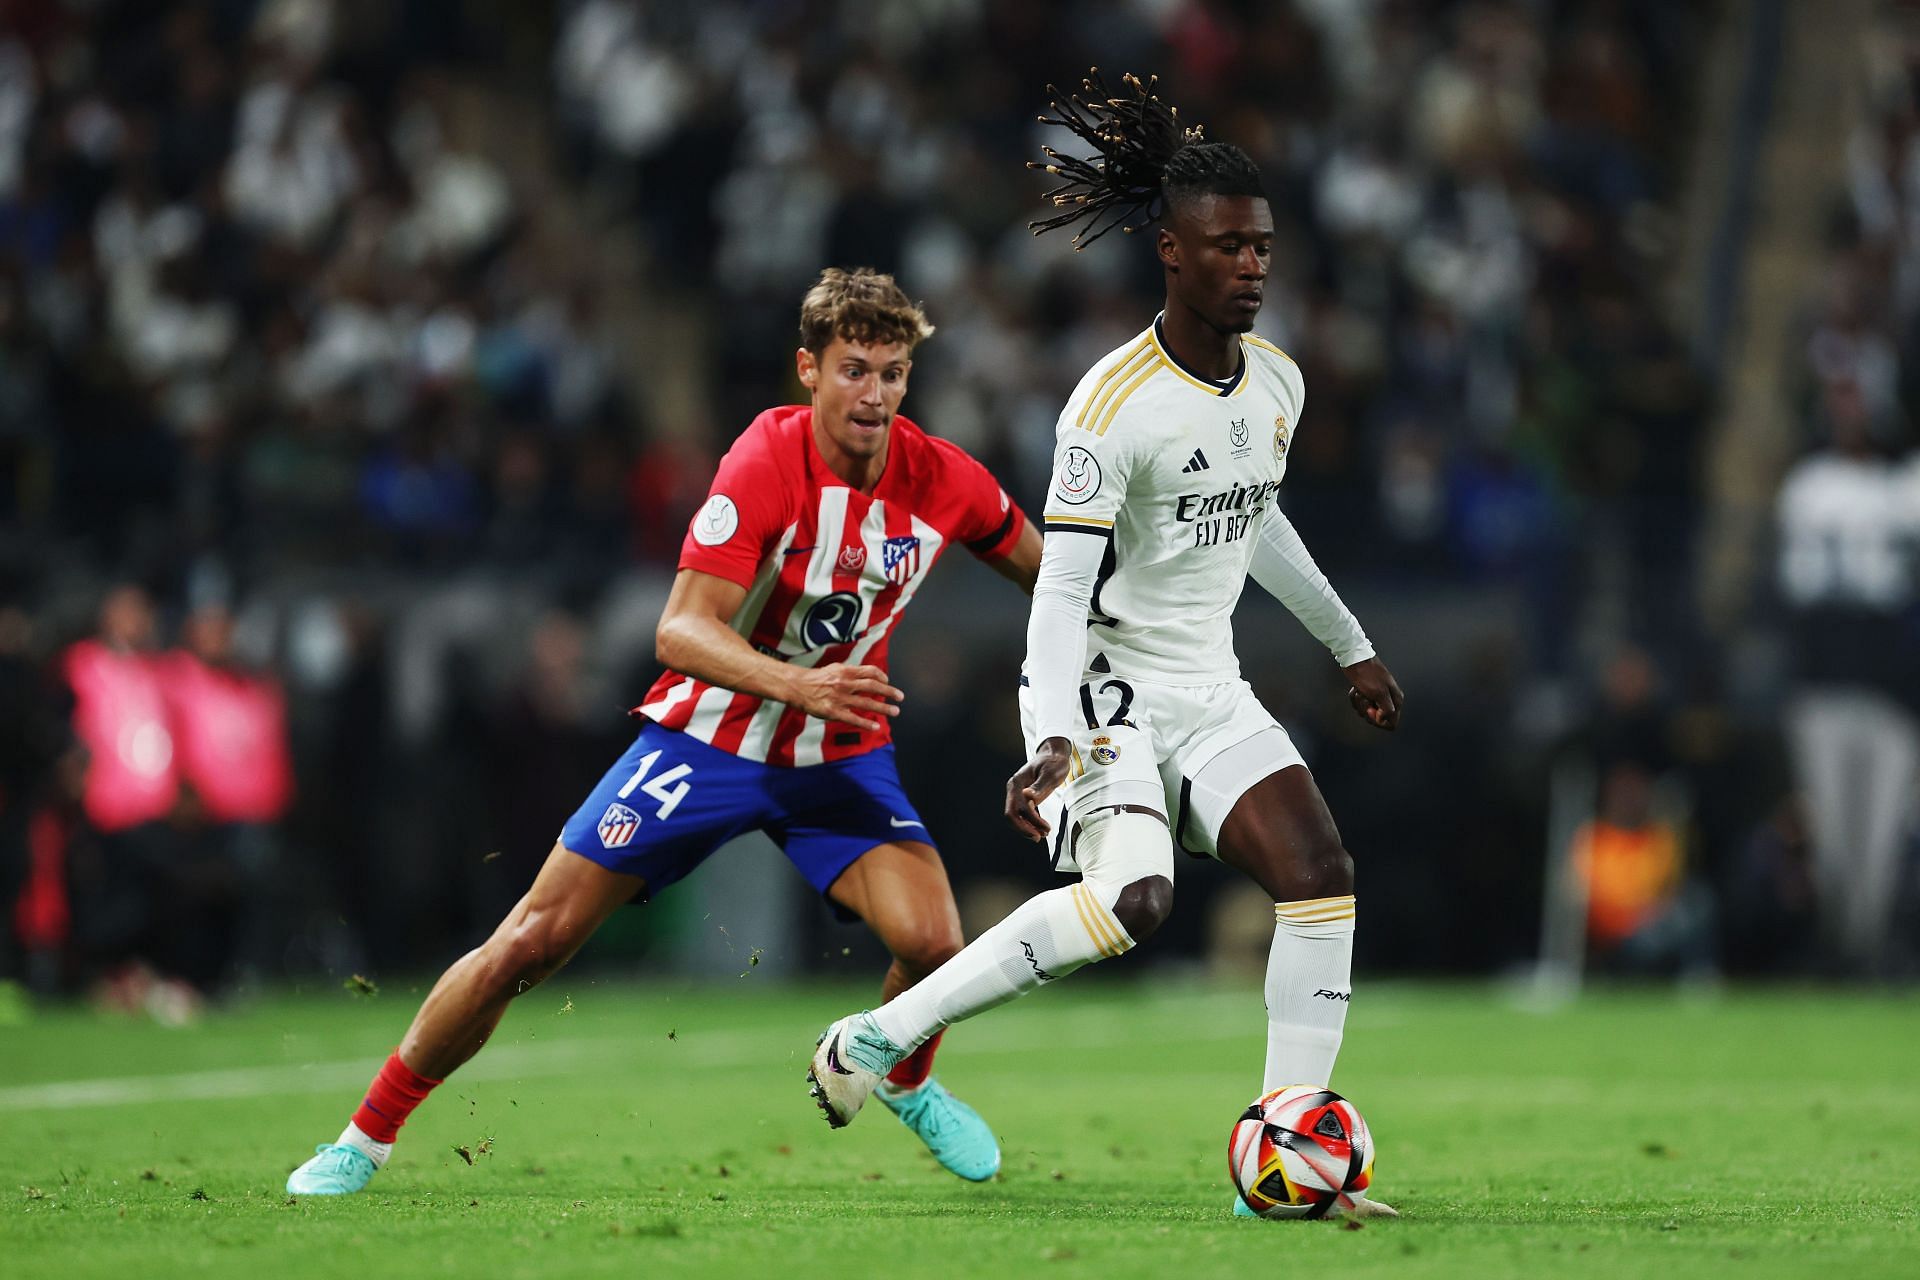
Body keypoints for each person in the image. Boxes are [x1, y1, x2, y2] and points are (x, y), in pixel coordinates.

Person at [287, 267, 1042, 1195]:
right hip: (709, 743)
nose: (874, 394)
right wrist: (797, 688)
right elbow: (678, 631)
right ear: (808, 370)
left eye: (892, 373)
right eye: (854, 370)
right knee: (529, 941)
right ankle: (363, 1138)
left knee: (933, 942)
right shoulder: (764, 461)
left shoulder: (945, 480)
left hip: (835, 753)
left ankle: (902, 1077)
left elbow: (1048, 572)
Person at [805, 75, 1404, 1219]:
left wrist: (1349, 644)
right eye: (1229, 248)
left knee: (1321, 877)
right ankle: (878, 1034)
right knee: (1134, 903)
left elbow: (1258, 511)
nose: (1254, 268)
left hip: (1209, 684)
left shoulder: (1278, 380)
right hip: (1109, 686)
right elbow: (1062, 588)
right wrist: (1050, 737)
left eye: (1264, 247)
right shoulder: (1108, 407)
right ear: (1172, 253)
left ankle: (1284, 1164)